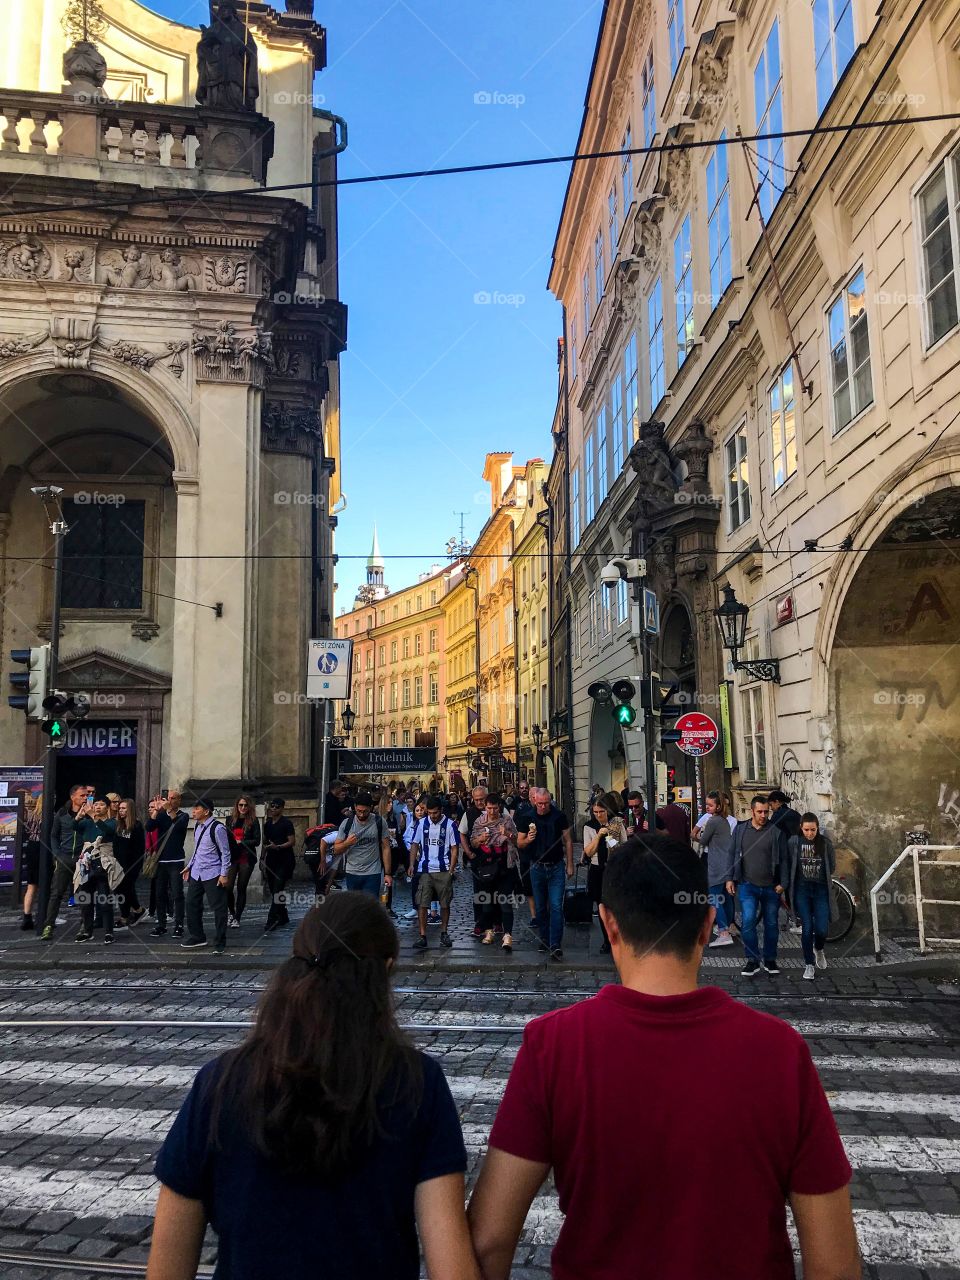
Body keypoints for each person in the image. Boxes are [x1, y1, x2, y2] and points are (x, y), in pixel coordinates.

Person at [467, 834, 860, 1280]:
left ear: (608, 924)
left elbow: (489, 1240)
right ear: (708, 924)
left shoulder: (552, 1045)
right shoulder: (781, 1051)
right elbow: (834, 1263)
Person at [148, 893, 478, 1280]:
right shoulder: (419, 1085)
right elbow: (451, 1266)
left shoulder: (218, 1084)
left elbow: (168, 1264)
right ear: (385, 971)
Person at [727, 795, 788, 977]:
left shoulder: (776, 832)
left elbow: (784, 861)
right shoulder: (740, 830)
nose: (763, 815)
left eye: (766, 812)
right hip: (747, 885)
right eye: (760, 812)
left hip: (771, 887)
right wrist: (729, 878)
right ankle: (752, 960)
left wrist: (783, 884)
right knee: (747, 923)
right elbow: (731, 854)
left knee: (771, 924)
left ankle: (770, 959)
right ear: (752, 811)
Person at [516, 787, 573, 961]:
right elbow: (520, 843)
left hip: (556, 866)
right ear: (534, 801)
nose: (542, 807)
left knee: (556, 906)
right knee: (540, 906)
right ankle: (545, 938)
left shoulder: (559, 816)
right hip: (536, 866)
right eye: (539, 803)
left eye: (545, 803)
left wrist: (570, 864)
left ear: (550, 801)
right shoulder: (527, 817)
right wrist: (528, 839)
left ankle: (555, 943)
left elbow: (568, 840)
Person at [786, 813, 838, 981]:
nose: (810, 833)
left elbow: (832, 866)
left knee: (822, 929)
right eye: (806, 830)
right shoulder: (794, 842)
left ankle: (819, 948)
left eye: (813, 830)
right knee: (807, 928)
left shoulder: (825, 844)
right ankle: (809, 964)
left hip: (821, 889)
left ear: (817, 828)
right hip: (802, 890)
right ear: (801, 828)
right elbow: (788, 864)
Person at [470, 794, 520, 953]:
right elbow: (473, 842)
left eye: (495, 808)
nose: (492, 811)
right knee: (487, 902)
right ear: (485, 807)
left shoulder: (507, 820)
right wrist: (480, 838)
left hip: (505, 865)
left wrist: (507, 834)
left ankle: (507, 935)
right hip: (487, 867)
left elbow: (517, 840)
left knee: (505, 902)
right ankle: (489, 931)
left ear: (499, 807)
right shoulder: (479, 821)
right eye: (489, 808)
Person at [181, 797, 231, 954]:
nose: (193, 811)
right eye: (194, 808)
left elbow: (225, 853)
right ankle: (197, 936)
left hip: (213, 873)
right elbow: (197, 850)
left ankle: (220, 941)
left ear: (206, 811)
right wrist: (189, 866)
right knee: (191, 903)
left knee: (218, 908)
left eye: (197, 809)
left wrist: (224, 874)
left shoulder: (217, 828)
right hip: (197, 872)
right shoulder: (197, 826)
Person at [40, 784, 89, 940]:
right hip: (65, 856)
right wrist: (56, 854)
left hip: (81, 858)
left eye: (86, 795)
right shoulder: (62, 813)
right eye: (81, 795)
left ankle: (84, 925)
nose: (85, 798)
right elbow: (53, 835)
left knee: (82, 893)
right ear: (72, 797)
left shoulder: (89, 814)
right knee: (56, 893)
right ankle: (48, 925)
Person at [581, 792, 627, 954]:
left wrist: (608, 837)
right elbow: (588, 851)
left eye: (602, 812)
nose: (599, 815)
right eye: (596, 812)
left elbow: (622, 847)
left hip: (614, 869)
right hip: (597, 870)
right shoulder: (589, 826)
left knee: (615, 906)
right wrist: (598, 836)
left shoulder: (617, 824)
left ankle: (618, 937)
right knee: (601, 906)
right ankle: (607, 940)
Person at [410, 798, 459, 951]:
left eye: (435, 813)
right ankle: (423, 935)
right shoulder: (422, 823)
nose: (433, 816)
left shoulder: (450, 825)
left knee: (445, 903)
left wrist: (451, 869)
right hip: (425, 869)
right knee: (422, 903)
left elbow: (454, 848)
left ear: (441, 810)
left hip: (443, 869)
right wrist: (412, 864)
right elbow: (414, 844)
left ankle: (444, 932)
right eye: (430, 813)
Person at [74, 797, 118, 944]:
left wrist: (93, 815)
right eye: (96, 804)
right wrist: (79, 816)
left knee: (104, 899)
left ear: (108, 808)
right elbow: (74, 826)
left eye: (102, 805)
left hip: (103, 864)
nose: (98, 807)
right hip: (87, 863)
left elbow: (108, 831)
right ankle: (87, 931)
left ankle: (109, 932)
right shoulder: (87, 823)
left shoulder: (111, 821)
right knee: (85, 900)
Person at [146, 790, 189, 939]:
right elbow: (149, 827)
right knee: (160, 894)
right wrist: (156, 812)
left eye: (173, 798)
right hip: (161, 860)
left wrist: (169, 810)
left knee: (177, 894)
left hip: (176, 861)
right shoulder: (162, 815)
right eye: (168, 798)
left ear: (179, 800)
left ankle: (178, 925)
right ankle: (161, 925)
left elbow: (178, 827)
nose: (170, 800)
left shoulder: (184, 815)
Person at [333, 791, 392, 898]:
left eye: (365, 811)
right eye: (359, 811)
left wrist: (387, 873)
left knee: (370, 906)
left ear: (371, 807)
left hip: (373, 872)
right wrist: (347, 843)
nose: (361, 814)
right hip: (352, 872)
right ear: (355, 807)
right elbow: (336, 849)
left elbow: (386, 847)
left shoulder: (379, 822)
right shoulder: (347, 823)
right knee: (355, 907)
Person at [697, 791, 735, 948]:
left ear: (718, 806)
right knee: (725, 898)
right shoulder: (724, 820)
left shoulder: (713, 821)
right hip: (726, 864)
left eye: (710, 805)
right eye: (706, 804)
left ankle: (724, 932)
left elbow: (703, 840)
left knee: (714, 899)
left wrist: (698, 835)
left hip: (716, 866)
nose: (707, 807)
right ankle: (728, 927)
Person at [459, 785, 490, 937]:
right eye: (476, 800)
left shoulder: (498, 808)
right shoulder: (469, 813)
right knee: (479, 891)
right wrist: (468, 852)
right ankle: (480, 922)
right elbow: (462, 834)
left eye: (482, 799)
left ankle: (497, 921)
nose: (479, 802)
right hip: (478, 858)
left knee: (497, 891)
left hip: (497, 858)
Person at [262, 798, 297, 932]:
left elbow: (292, 841)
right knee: (274, 889)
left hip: (285, 860)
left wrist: (278, 847)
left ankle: (272, 919)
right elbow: (265, 842)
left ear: (282, 808)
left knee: (277, 888)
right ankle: (283, 914)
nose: (273, 809)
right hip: (271, 860)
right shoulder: (268, 824)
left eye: (276, 807)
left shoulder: (286, 823)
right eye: (272, 806)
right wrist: (262, 858)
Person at [227, 795, 261, 928]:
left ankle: (237, 917)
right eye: (240, 805)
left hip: (246, 857)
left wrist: (242, 842)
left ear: (249, 807)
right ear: (236, 806)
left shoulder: (253, 821)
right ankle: (231, 912)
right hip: (232, 857)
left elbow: (257, 840)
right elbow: (227, 836)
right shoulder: (230, 820)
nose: (243, 808)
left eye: (245, 805)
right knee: (227, 888)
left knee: (241, 887)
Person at [115, 798, 146, 928]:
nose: (121, 811)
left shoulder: (136, 826)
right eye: (120, 808)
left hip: (131, 865)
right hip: (118, 863)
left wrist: (135, 867)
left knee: (125, 890)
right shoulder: (118, 825)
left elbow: (139, 849)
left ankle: (125, 917)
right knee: (121, 890)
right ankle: (138, 910)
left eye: (124, 808)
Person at [18, 791, 43, 931]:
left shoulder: (31, 816)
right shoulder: (49, 816)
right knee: (44, 884)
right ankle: (42, 915)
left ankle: (27, 916)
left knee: (31, 885)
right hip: (42, 847)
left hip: (31, 847)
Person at [403, 797, 428, 921]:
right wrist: (412, 849)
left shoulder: (428, 823)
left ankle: (428, 908)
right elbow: (406, 838)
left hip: (427, 858)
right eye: (417, 810)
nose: (419, 812)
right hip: (416, 857)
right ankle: (415, 907)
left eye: (421, 810)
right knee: (415, 883)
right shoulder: (412, 824)